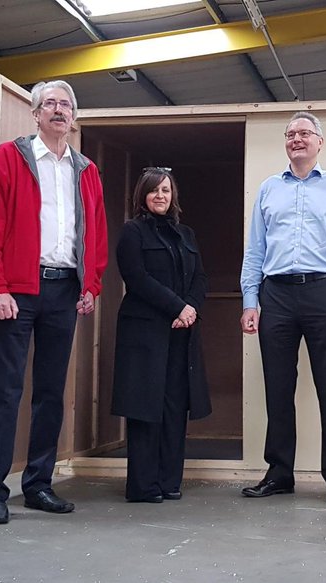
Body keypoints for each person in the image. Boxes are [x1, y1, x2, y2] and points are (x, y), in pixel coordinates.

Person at [0, 80, 108, 525]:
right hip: (17, 289)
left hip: (65, 289)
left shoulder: (85, 170)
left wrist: (91, 283)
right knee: (6, 392)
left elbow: (96, 232)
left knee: (51, 394)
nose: (57, 110)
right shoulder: (9, 159)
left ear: (74, 116)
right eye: (48, 103)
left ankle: (38, 484)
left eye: (65, 104)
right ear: (35, 114)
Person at [239, 111, 326, 506]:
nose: (297, 139)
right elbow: (255, 250)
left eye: (305, 133)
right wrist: (250, 300)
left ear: (320, 142)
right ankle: (279, 473)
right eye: (291, 134)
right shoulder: (268, 190)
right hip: (275, 295)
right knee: (277, 388)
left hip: (322, 293)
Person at [111, 167, 211, 503]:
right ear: (142, 194)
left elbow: (199, 278)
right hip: (144, 334)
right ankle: (143, 486)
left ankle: (170, 481)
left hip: (181, 333)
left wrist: (191, 309)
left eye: (166, 190)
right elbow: (137, 279)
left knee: (174, 407)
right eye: (154, 190)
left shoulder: (186, 234)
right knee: (145, 407)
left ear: (173, 196)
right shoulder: (132, 232)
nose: (161, 196)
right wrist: (177, 308)